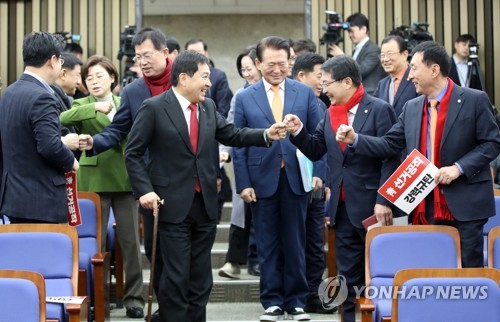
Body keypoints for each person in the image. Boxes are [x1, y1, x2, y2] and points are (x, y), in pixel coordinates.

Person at [124, 50, 287, 322]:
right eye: (205, 76)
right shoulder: (154, 108)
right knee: (175, 276)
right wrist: (145, 190)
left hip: (205, 205)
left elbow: (232, 134)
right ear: (184, 78)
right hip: (171, 205)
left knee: (201, 278)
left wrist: (265, 134)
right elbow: (133, 153)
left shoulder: (207, 107)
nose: (209, 83)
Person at [336, 41, 500, 269]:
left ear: (434, 70)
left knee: (468, 269)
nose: (410, 75)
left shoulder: (474, 99)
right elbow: (389, 144)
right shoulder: (412, 107)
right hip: (424, 202)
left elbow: (492, 143)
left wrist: (458, 168)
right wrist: (356, 139)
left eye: (414, 68)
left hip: (465, 202)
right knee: (431, 267)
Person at [285, 55, 400, 322]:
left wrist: (383, 199)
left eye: (327, 83)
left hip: (374, 208)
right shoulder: (330, 112)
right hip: (343, 208)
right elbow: (316, 150)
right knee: (347, 277)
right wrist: (299, 131)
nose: (323, 90)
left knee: (381, 274)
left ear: (347, 82)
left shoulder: (379, 109)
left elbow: (391, 154)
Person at [78, 26, 173, 322]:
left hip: (183, 177)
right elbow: (118, 129)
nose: (142, 61)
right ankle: (163, 304)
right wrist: (94, 143)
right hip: (147, 180)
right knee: (150, 245)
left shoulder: (182, 81)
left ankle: (182, 305)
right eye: (137, 56)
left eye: (147, 54)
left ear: (164, 52)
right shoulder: (133, 91)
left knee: (177, 246)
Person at [233, 36, 323, 322]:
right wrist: (243, 183)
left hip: (297, 176)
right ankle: (272, 301)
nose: (276, 69)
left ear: (291, 62)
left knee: (297, 240)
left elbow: (319, 137)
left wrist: (319, 173)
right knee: (267, 241)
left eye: (282, 63)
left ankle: (296, 301)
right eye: (270, 64)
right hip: (261, 178)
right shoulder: (245, 97)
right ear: (258, 64)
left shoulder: (304, 93)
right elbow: (238, 143)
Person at [60, 55, 144, 318]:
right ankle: (97, 296)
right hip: (93, 181)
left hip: (125, 179)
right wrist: (94, 109)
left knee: (130, 243)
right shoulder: (81, 104)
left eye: (99, 76)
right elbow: (63, 117)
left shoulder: (126, 102)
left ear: (113, 78)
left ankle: (134, 298)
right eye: (89, 78)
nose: (94, 81)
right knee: (94, 244)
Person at [0, 31, 78, 223]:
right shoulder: (43, 96)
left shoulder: (8, 93)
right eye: (60, 60)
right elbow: (49, 146)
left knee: (20, 252)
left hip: (13, 197)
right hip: (41, 200)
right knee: (44, 252)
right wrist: (71, 161)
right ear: (52, 60)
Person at [291, 53, 333, 314]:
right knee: (295, 242)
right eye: (319, 75)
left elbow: (323, 147)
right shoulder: (289, 102)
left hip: (316, 187)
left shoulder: (322, 106)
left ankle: (313, 295)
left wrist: (323, 176)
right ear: (302, 76)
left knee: (315, 244)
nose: (322, 81)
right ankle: (296, 294)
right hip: (293, 184)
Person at [218, 46, 262, 279]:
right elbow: (230, 126)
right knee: (241, 213)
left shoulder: (274, 93)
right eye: (243, 69)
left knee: (258, 214)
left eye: (250, 67)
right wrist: (224, 151)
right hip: (244, 161)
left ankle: (256, 260)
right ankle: (234, 261)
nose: (247, 73)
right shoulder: (240, 96)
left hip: (268, 162)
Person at [328, 12, 386, 95]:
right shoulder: (357, 49)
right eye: (348, 32)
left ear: (363, 29)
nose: (350, 35)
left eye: (352, 31)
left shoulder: (373, 49)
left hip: (370, 95)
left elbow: (360, 71)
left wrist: (342, 56)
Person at [185, 38, 233, 117]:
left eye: (199, 53)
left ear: (206, 53)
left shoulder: (218, 76)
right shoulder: (183, 76)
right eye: (191, 53)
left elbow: (223, 109)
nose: (195, 57)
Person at [373, 35, 418, 117]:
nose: (385, 59)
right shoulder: (381, 85)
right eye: (382, 55)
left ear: (404, 55)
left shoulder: (416, 80)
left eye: (389, 54)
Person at [51, 52, 83, 158]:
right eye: (78, 75)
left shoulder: (64, 98)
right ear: (63, 74)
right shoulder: (50, 98)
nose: (79, 82)